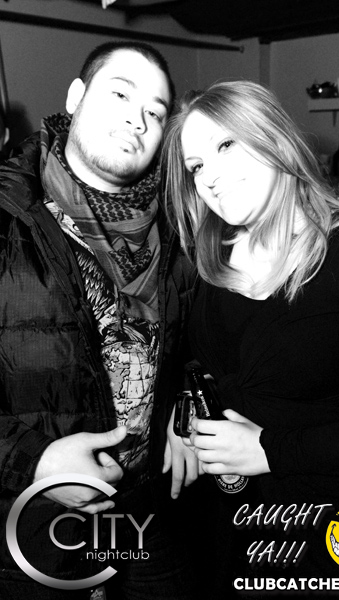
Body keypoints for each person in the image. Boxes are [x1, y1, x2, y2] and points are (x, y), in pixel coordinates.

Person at [162, 80, 339, 597]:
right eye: (196, 166)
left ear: (275, 137)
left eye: (226, 145)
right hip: (237, 525)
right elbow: (203, 362)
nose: (210, 177)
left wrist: (272, 450)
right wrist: (185, 410)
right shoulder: (209, 259)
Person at [0, 41, 199, 600]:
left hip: (148, 512)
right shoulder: (9, 215)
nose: (138, 119)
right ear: (75, 97)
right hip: (29, 528)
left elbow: (196, 347)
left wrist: (188, 408)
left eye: (156, 111)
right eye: (120, 94)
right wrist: (34, 464)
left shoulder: (182, 227)